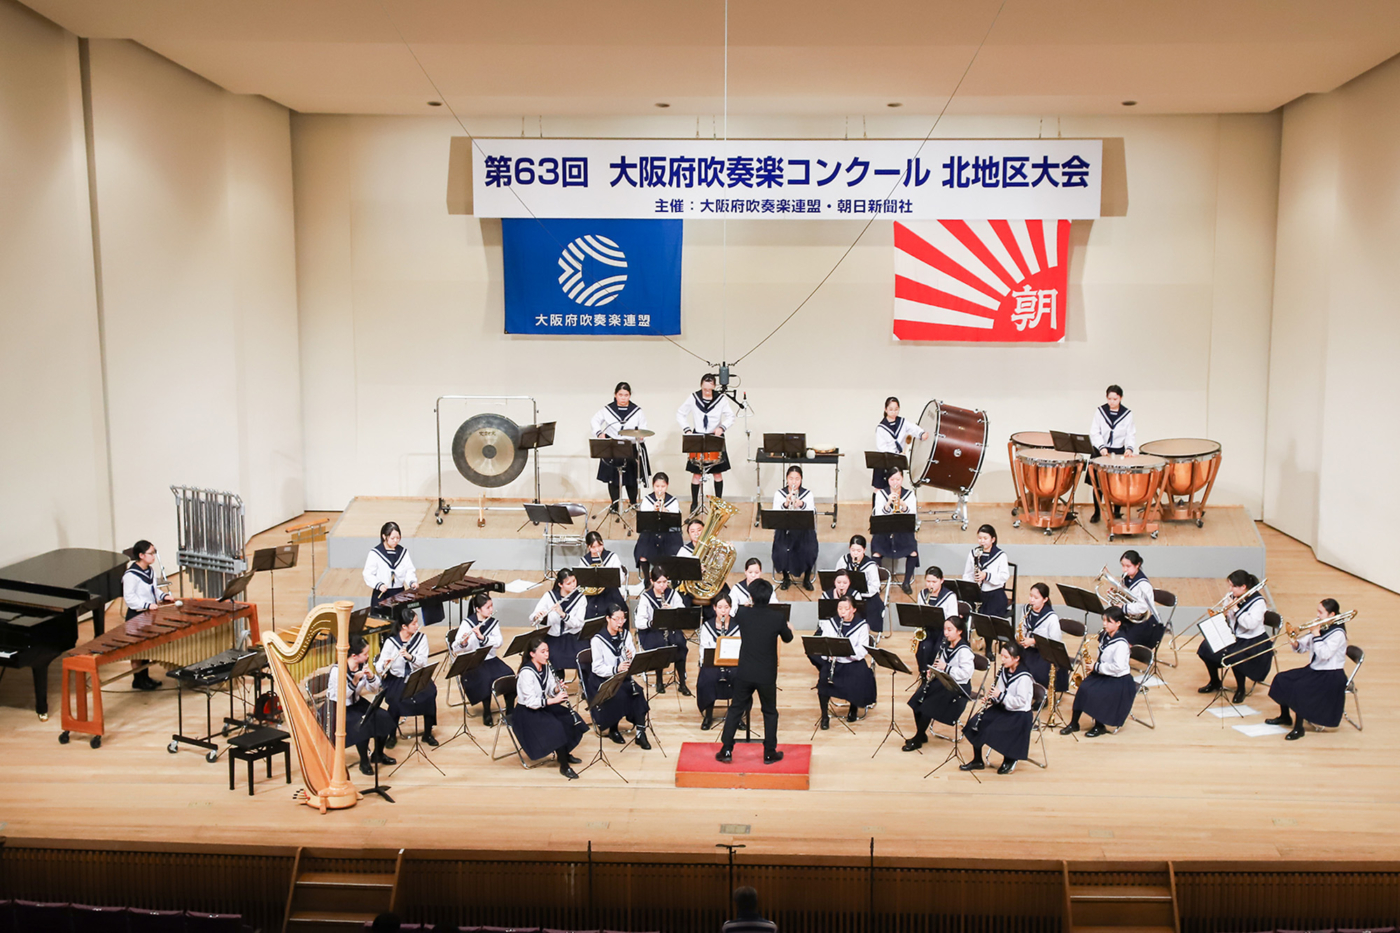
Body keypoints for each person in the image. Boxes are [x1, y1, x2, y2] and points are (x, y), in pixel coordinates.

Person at [716, 579, 792, 765]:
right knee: (770, 712)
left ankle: (726, 749)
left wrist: (748, 604)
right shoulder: (777, 618)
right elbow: (788, 638)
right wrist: (787, 627)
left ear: (751, 596)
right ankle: (769, 752)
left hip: (745, 672)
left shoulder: (743, 613)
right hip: (766, 674)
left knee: (736, 709)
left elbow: (737, 611)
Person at [1267, 599, 1350, 741]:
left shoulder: (1338, 634)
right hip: (1316, 669)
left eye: (1321, 612)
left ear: (1332, 614)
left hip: (1330, 674)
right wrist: (1296, 642)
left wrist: (1316, 635)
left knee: (1301, 688)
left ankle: (1299, 728)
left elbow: (1324, 654)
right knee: (1282, 678)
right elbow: (1304, 647)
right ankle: (1285, 716)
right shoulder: (1322, 626)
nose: (1317, 615)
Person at [512, 637, 587, 779]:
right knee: (556, 727)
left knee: (571, 719)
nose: (547, 654)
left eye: (547, 651)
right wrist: (553, 700)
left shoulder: (546, 667)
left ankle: (564, 753)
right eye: (543, 651)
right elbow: (530, 702)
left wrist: (558, 689)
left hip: (542, 706)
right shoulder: (526, 673)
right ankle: (564, 765)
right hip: (526, 713)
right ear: (532, 654)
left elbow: (550, 689)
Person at [1197, 569, 1271, 703]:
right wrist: (1224, 614)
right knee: (1206, 648)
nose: (1230, 589)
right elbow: (1230, 619)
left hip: (1252, 640)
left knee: (1235, 657)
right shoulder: (1232, 596)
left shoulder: (1259, 602)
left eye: (1233, 586)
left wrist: (1235, 609)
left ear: (1243, 587)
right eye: (1229, 586)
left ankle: (1241, 689)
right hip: (1234, 635)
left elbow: (1250, 624)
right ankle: (1215, 681)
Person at [1060, 607, 1135, 737]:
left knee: (1097, 692)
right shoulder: (1106, 635)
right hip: (1104, 672)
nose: (1105, 624)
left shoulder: (1121, 644)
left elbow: (1118, 667)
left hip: (1119, 679)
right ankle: (1074, 723)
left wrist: (1096, 667)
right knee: (1083, 688)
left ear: (1118, 623)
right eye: (1104, 620)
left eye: (1109, 621)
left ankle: (1099, 726)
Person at [583, 605, 651, 749]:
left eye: (623, 619)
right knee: (617, 696)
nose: (620, 622)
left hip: (622, 677)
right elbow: (597, 668)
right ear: (608, 619)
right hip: (604, 678)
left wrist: (631, 657)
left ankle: (641, 732)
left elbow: (631, 656)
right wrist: (615, 669)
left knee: (638, 693)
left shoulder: (625, 635)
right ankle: (613, 728)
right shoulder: (597, 640)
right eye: (617, 619)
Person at [325, 636, 395, 775]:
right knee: (361, 726)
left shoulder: (363, 665)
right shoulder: (337, 671)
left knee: (384, 717)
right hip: (339, 707)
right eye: (365, 654)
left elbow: (374, 689)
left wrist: (370, 677)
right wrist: (355, 681)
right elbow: (342, 696)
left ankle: (378, 754)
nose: (367, 656)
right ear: (354, 656)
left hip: (356, 703)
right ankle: (364, 762)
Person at [903, 616, 974, 751]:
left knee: (927, 706)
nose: (946, 633)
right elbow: (940, 664)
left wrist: (946, 668)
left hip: (957, 687)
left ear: (959, 631)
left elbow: (965, 675)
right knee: (916, 702)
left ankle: (918, 738)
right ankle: (922, 733)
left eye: (950, 630)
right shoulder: (945, 645)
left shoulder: (964, 651)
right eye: (945, 629)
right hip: (943, 680)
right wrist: (934, 671)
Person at [963, 642, 1035, 774]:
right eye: (1001, 656)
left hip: (1019, 714)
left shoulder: (1024, 677)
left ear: (1016, 658)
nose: (1002, 660)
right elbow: (1000, 690)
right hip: (1004, 706)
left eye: (1006, 657)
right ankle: (977, 760)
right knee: (975, 723)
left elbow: (1020, 701)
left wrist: (1000, 696)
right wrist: (992, 699)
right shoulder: (1004, 670)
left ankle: (1010, 757)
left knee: (992, 729)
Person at [374, 607, 438, 747]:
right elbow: (379, 667)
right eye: (414, 623)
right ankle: (392, 735)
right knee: (395, 701)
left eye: (417, 622)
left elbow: (422, 662)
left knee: (430, 694)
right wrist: (385, 664)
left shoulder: (421, 639)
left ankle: (427, 734)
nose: (417, 626)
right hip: (397, 679)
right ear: (404, 626)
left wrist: (410, 657)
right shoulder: (391, 642)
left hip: (417, 676)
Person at [449, 593, 514, 726]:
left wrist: (483, 638)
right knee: (485, 680)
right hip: (473, 663)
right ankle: (486, 712)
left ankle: (510, 712)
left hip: (491, 659)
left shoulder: (493, 623)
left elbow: (499, 642)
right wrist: (464, 642)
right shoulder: (467, 624)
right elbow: (455, 648)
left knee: (510, 675)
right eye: (487, 607)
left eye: (491, 606)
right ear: (478, 609)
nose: (491, 610)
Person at [676, 373, 736, 514]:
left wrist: (722, 428)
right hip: (698, 437)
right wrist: (687, 430)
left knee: (717, 473)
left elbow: (731, 416)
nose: (707, 392)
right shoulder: (693, 397)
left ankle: (717, 504)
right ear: (701, 386)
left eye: (709, 389)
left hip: (714, 438)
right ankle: (695, 503)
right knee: (696, 474)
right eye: (704, 389)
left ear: (714, 387)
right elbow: (680, 413)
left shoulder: (721, 399)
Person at [815, 596, 877, 729]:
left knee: (859, 676)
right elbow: (824, 644)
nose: (842, 612)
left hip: (852, 662)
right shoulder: (830, 623)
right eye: (840, 608)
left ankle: (853, 707)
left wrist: (846, 651)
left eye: (846, 609)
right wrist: (829, 654)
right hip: (835, 662)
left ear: (853, 609)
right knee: (823, 681)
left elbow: (862, 650)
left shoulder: (862, 626)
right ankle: (825, 716)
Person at [122, 539, 176, 690]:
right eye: (151, 553)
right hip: (136, 615)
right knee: (137, 651)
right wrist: (146, 605)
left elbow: (153, 590)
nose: (154, 556)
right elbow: (130, 598)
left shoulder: (150, 571)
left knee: (146, 648)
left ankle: (145, 678)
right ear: (141, 555)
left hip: (149, 615)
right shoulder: (130, 575)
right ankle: (138, 679)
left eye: (154, 552)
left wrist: (163, 596)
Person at [591, 381, 650, 515]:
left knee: (632, 478)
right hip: (614, 447)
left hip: (631, 447)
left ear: (630, 395)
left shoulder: (637, 411)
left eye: (626, 395)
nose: (623, 398)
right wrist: (599, 433)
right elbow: (594, 421)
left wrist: (641, 437)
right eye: (620, 395)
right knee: (613, 479)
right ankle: (615, 504)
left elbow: (644, 428)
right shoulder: (607, 410)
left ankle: (633, 502)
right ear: (615, 395)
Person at [634, 567, 690, 695]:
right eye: (659, 582)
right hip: (651, 631)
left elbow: (682, 612)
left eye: (665, 582)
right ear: (652, 581)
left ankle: (682, 683)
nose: (662, 586)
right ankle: (659, 681)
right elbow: (639, 622)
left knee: (680, 643)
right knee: (659, 645)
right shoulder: (646, 598)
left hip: (671, 629)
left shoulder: (672, 594)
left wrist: (673, 610)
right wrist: (653, 621)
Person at [1088, 384, 1137, 524]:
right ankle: (1097, 512)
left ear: (1120, 398)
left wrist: (1129, 448)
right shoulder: (1100, 411)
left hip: (1119, 451)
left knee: (1118, 484)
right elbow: (1094, 431)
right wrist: (1101, 447)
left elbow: (1130, 434)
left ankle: (1116, 512)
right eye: (1109, 398)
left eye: (1115, 399)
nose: (1112, 402)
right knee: (1098, 483)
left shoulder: (1127, 414)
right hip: (1101, 451)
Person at [871, 469, 919, 595]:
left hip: (903, 530)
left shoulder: (909, 494)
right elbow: (878, 514)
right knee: (876, 552)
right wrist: (888, 504)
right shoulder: (881, 494)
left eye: (898, 479)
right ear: (888, 480)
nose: (895, 482)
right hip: (884, 531)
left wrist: (903, 505)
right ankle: (876, 583)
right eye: (892, 480)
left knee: (913, 552)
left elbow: (912, 515)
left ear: (902, 479)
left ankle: (906, 582)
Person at [530, 568, 587, 674]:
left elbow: (578, 623)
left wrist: (563, 615)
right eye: (569, 583)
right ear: (560, 585)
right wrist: (537, 616)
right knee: (553, 659)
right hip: (554, 637)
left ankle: (583, 686)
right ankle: (556, 687)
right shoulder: (549, 596)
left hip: (573, 637)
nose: (573, 585)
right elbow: (532, 616)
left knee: (584, 659)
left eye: (574, 581)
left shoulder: (581, 598)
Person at [697, 593, 741, 730]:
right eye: (720, 607)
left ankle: (737, 716)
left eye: (726, 607)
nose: (723, 611)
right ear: (714, 608)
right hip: (713, 663)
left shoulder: (737, 626)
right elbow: (704, 649)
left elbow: (741, 646)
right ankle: (708, 715)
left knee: (740, 678)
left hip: (733, 662)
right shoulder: (707, 626)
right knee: (708, 679)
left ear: (730, 608)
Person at [771, 466, 818, 591]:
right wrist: (786, 504)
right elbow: (775, 514)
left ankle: (806, 578)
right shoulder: (779, 494)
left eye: (797, 479)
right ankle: (786, 578)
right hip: (785, 531)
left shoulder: (807, 494)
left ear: (801, 480)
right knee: (782, 551)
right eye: (791, 478)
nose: (794, 482)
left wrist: (801, 504)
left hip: (804, 531)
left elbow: (812, 512)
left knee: (809, 550)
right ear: (786, 479)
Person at [634, 471, 682, 586]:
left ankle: (675, 578)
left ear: (667, 486)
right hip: (651, 533)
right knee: (642, 550)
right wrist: (653, 511)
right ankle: (647, 578)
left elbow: (675, 523)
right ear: (653, 485)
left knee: (677, 550)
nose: (660, 489)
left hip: (668, 534)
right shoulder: (647, 500)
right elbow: (644, 522)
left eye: (663, 486)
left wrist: (667, 513)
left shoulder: (672, 501)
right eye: (657, 486)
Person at [1018, 583, 1068, 693]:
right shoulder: (1026, 609)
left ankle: (1041, 695)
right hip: (1028, 648)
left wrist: (1034, 641)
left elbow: (1055, 642)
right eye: (1030, 596)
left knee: (1035, 671)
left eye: (1036, 598)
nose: (1031, 600)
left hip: (1044, 653)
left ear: (1045, 599)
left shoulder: (1051, 617)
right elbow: (1022, 628)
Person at [872, 396, 928, 493]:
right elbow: (882, 448)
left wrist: (921, 433)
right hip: (884, 461)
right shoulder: (881, 428)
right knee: (879, 490)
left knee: (895, 488)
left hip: (897, 461)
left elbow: (913, 428)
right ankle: (877, 508)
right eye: (891, 409)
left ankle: (895, 508)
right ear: (885, 410)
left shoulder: (902, 422)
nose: (894, 412)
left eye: (896, 409)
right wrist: (896, 455)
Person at [914, 567, 959, 677]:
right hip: (928, 630)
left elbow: (953, 619)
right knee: (924, 649)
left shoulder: (950, 596)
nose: (931, 585)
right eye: (928, 581)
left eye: (934, 582)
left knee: (937, 650)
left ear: (941, 581)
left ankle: (936, 675)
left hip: (943, 632)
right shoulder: (922, 595)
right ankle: (924, 673)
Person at [363, 521, 417, 611]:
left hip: (399, 592)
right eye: (392, 538)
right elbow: (368, 574)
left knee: (399, 621)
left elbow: (408, 570)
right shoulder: (375, 553)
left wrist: (412, 582)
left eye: (398, 538)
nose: (395, 541)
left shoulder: (403, 552)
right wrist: (379, 585)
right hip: (382, 593)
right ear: (384, 537)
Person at [836, 534, 885, 634]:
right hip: (847, 595)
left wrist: (859, 594)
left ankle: (863, 632)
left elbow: (875, 587)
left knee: (867, 609)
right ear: (849, 548)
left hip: (866, 597)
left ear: (864, 550)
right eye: (853, 550)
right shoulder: (844, 560)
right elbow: (837, 576)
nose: (855, 554)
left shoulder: (870, 565)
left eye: (858, 551)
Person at [1118, 550, 1164, 648]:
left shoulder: (1144, 585)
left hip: (1146, 622)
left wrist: (1123, 607)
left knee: (1123, 643)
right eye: (1123, 565)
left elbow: (1142, 607)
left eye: (1128, 566)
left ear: (1137, 565)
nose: (1124, 569)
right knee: (1111, 630)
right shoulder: (1126, 578)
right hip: (1132, 617)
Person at [578, 531, 627, 622]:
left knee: (617, 609)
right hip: (592, 595)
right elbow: (582, 582)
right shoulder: (584, 561)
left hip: (610, 592)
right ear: (588, 547)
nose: (597, 549)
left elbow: (620, 578)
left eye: (600, 546)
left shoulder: (612, 557)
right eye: (594, 547)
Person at [963, 524, 1009, 619]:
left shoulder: (1001, 555)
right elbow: (967, 574)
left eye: (985, 538)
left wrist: (987, 576)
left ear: (993, 539)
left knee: (989, 621)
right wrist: (972, 585)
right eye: (979, 538)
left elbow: (1004, 576)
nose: (982, 541)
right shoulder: (973, 553)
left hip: (994, 593)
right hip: (977, 593)